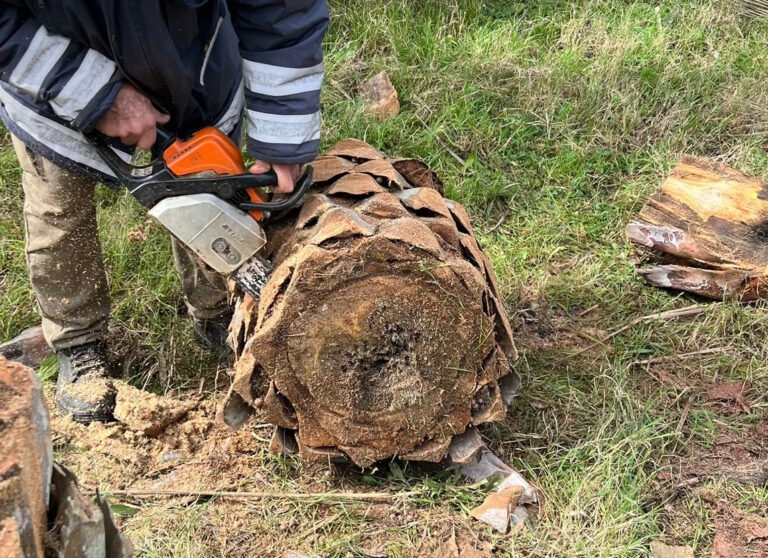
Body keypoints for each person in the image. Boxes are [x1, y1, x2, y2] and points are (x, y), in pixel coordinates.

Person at [0, 0, 329, 424]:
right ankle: (77, 341)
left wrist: (284, 136)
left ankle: (217, 313)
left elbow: (283, 10)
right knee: (60, 215)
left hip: (191, 75)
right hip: (49, 85)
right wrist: (94, 92)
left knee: (213, 196)